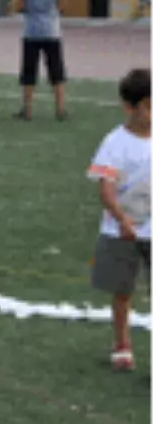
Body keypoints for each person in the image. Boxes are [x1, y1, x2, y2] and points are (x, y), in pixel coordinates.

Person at [86, 69, 153, 372]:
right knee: (123, 289)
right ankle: (122, 343)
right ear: (129, 107)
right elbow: (106, 186)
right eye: (150, 106)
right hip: (121, 230)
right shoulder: (115, 142)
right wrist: (121, 218)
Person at [17, 0, 67, 121]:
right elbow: (60, 4)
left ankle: (28, 109)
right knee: (56, 70)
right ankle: (60, 109)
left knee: (29, 70)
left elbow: (21, 5)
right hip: (52, 29)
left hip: (31, 30)